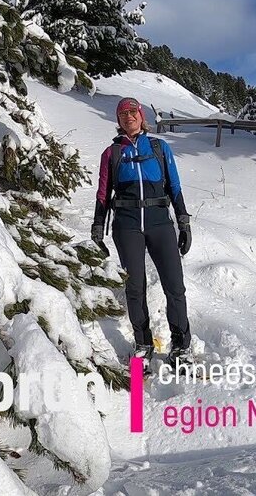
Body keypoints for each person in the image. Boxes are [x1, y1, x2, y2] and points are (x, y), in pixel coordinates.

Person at [92, 97, 192, 372]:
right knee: (134, 287)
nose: (128, 117)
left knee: (175, 285)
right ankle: (143, 344)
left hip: (160, 222)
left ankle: (181, 346)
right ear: (119, 120)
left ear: (141, 116)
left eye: (132, 112)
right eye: (122, 114)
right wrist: (98, 224)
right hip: (127, 225)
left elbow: (174, 184)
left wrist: (183, 221)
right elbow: (103, 192)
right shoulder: (111, 153)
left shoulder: (159, 148)